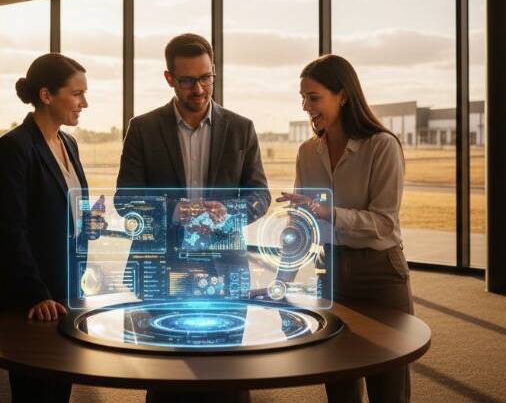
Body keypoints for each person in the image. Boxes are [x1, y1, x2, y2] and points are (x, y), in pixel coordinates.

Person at [278, 54, 412, 403]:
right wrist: (280, 282)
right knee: (337, 379)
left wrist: (327, 211)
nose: (306, 107)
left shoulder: (382, 146)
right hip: (329, 270)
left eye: (314, 97)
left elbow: (384, 223)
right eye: (303, 98)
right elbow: (299, 223)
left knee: (389, 384)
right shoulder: (308, 152)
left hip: (379, 273)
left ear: (344, 96)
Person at [116, 33, 270, 292]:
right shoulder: (142, 129)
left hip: (226, 272)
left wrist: (229, 212)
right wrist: (176, 211)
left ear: (214, 72)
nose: (198, 89)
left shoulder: (241, 128)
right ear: (169, 79)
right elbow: (124, 200)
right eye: (187, 81)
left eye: (205, 78)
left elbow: (261, 196)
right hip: (158, 274)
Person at [0, 53, 88, 403]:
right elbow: (13, 230)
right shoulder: (14, 147)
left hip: (65, 285)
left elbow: (70, 208)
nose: (83, 103)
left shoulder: (68, 143)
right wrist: (37, 294)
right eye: (76, 94)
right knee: (34, 394)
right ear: (46, 95)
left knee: (61, 383)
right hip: (28, 293)